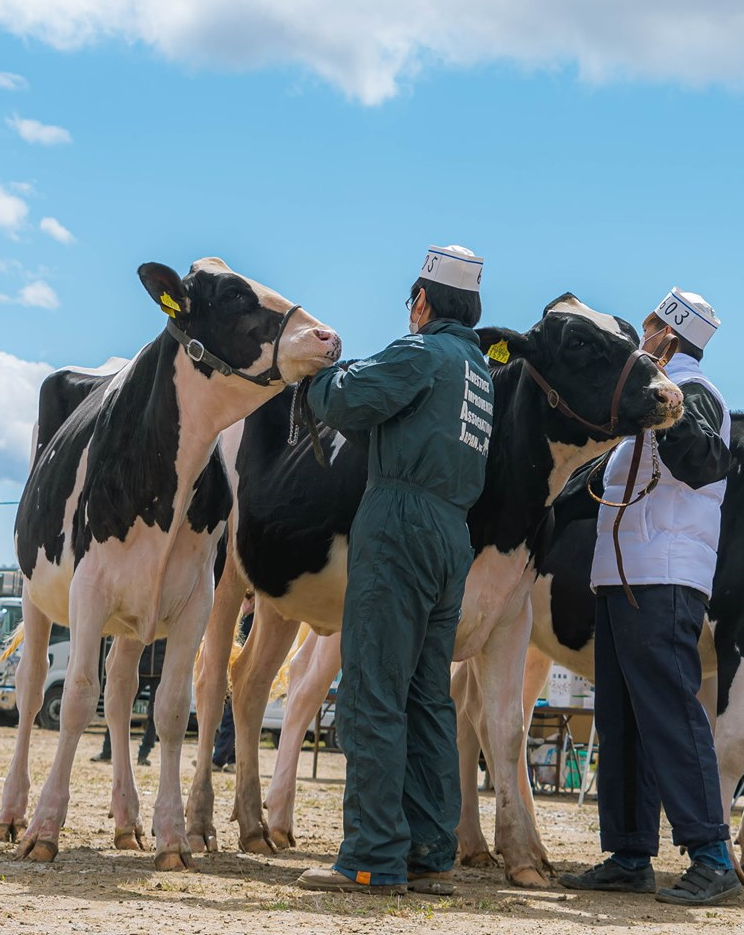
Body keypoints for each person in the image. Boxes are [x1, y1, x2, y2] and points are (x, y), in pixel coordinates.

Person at [294, 245, 494, 896]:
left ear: (422, 301)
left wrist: (316, 370)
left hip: (399, 520)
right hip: (450, 531)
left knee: (373, 691)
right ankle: (430, 851)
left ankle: (371, 856)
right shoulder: (477, 372)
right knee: (427, 698)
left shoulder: (421, 352)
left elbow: (347, 402)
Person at [558, 287, 739, 906]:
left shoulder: (694, 394)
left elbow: (708, 462)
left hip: (663, 577)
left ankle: (712, 854)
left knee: (669, 713)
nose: (643, 333)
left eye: (651, 325)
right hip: (623, 576)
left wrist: (671, 408)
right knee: (623, 717)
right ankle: (631, 852)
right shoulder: (643, 404)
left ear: (668, 333)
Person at [91, 637, 165, 766]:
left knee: (155, 716)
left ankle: (143, 754)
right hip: (138, 668)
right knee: (119, 710)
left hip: (159, 672)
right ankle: (107, 751)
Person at [211, 593, 256, 770]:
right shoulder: (243, 618)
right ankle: (231, 759)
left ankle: (218, 759)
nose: (245, 603)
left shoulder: (252, 621)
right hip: (234, 672)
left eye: (248, 599)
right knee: (233, 718)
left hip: (241, 674)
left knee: (231, 717)